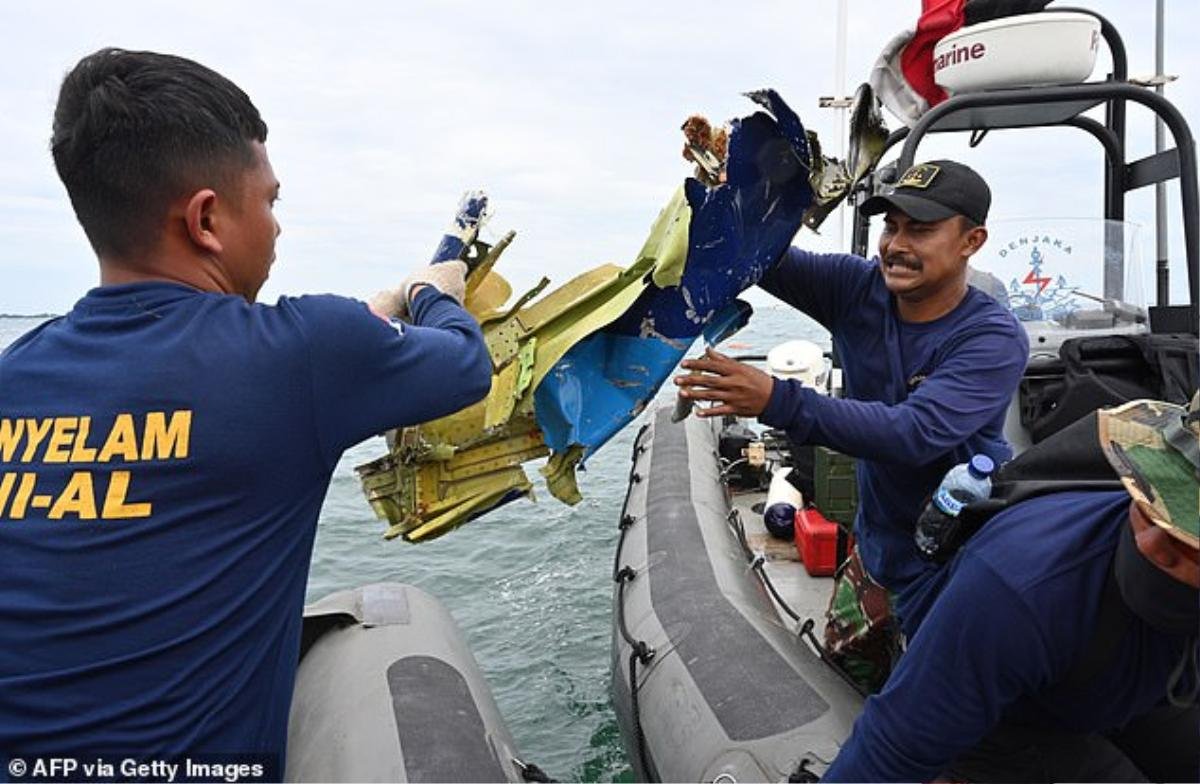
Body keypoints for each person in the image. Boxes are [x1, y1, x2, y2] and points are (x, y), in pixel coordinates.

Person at [0, 49, 491, 774]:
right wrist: (430, 288)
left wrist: (373, 316)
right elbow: (464, 361)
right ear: (205, 219)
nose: (278, 227)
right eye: (270, 201)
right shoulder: (306, 357)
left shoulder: (19, 371)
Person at [675, 160, 1029, 688]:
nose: (896, 244)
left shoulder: (992, 339)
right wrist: (730, 184)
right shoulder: (856, 288)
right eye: (892, 226)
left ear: (970, 241)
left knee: (926, 722)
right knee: (843, 684)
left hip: (954, 565)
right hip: (876, 549)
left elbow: (911, 434)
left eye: (922, 229)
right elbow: (760, 258)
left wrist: (775, 398)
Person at [823, 396, 1200, 782]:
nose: (1152, 541)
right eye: (1152, 503)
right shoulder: (1019, 582)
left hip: (1147, 681)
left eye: (1188, 535)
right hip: (1006, 720)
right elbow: (891, 747)